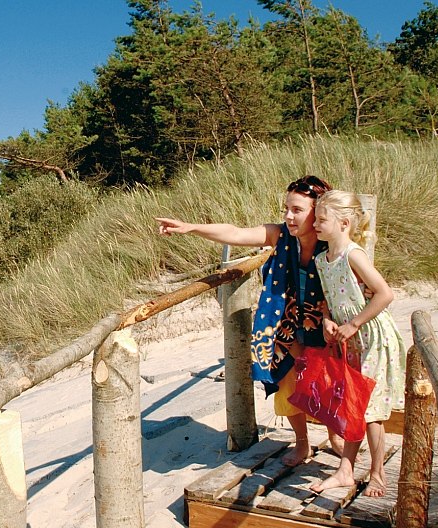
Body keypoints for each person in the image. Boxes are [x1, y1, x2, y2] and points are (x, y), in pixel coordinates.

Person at [156, 175, 344, 466]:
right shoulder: (280, 236)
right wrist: (190, 228)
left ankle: (335, 437)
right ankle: (302, 444)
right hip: (286, 325)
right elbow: (235, 233)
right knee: (288, 382)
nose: (288, 216)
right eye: (286, 209)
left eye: (297, 210)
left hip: (326, 323)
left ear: (318, 212)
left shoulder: (331, 242)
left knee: (328, 382)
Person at [308, 190, 406, 497]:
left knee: (372, 410)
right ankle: (346, 471)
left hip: (372, 336)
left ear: (345, 223)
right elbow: (329, 299)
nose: (315, 225)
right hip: (349, 340)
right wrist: (327, 319)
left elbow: (384, 294)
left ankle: (377, 473)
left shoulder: (354, 254)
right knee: (352, 402)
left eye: (321, 220)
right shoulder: (322, 260)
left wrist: (354, 323)